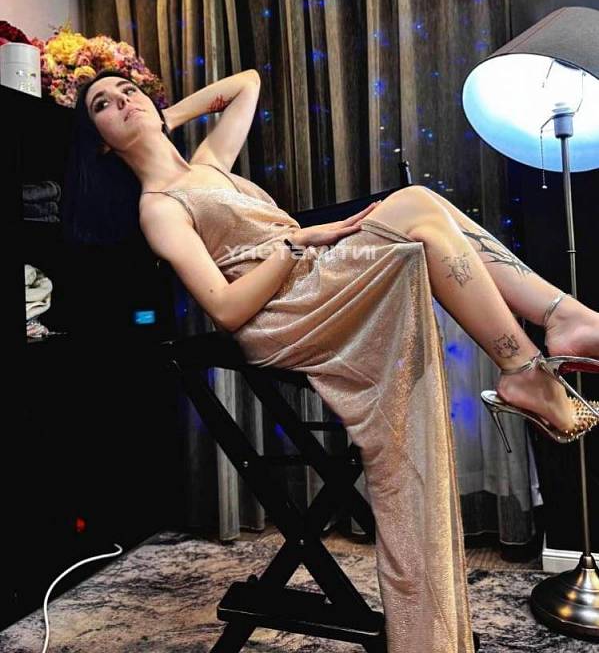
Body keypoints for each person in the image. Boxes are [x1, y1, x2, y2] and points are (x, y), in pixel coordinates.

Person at [63, 68, 599, 653]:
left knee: (421, 206)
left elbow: (248, 84)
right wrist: (295, 244)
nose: (123, 101)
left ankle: (552, 333)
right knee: (416, 206)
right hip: (281, 310)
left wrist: (167, 116)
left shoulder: (209, 164)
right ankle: (539, 352)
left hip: (313, 276)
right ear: (100, 142)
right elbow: (226, 310)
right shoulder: (158, 208)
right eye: (103, 105)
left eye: (129, 91)